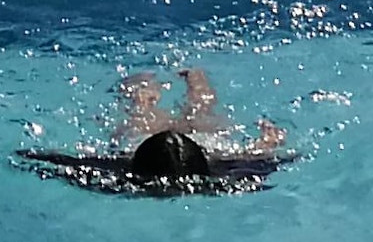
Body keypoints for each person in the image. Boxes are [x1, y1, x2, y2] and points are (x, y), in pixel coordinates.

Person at [18, 59, 292, 195]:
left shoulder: (119, 175)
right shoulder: (220, 172)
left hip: (204, 146)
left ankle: (149, 95)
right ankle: (188, 79)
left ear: (134, 162)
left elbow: (65, 164)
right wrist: (268, 143)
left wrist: (268, 143)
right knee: (197, 113)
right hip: (209, 149)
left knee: (186, 116)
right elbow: (258, 161)